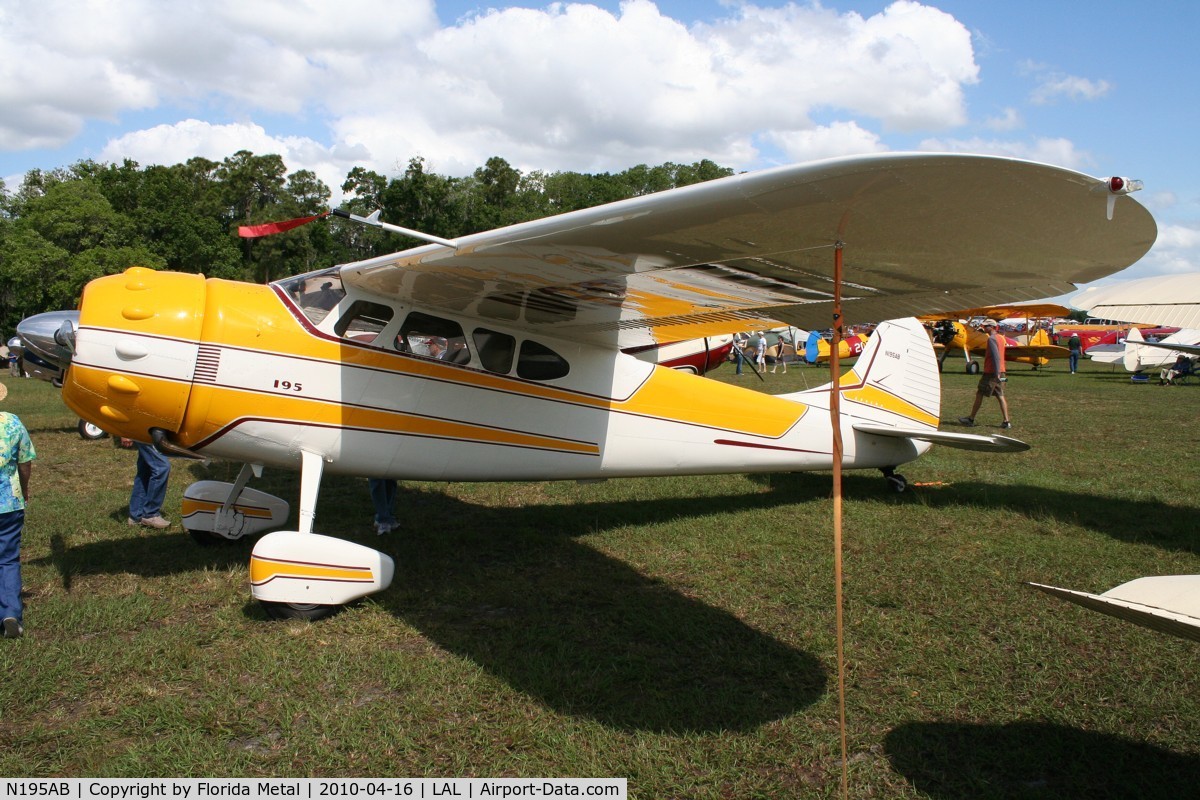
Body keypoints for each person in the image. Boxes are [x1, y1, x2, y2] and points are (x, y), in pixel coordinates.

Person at [0, 382, 35, 638]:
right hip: (9, 503)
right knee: (8, 559)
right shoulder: (12, 422)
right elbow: (24, 462)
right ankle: (11, 611)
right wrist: (24, 489)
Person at [959, 319, 1012, 429]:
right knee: (1000, 396)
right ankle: (1006, 421)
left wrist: (996, 374)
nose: (984, 328)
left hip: (991, 372)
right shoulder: (1001, 338)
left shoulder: (991, 339)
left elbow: (995, 357)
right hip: (1001, 371)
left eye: (986, 326)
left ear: (992, 327)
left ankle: (971, 419)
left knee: (979, 393)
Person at [123, 439, 172, 529]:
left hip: (149, 433)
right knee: (161, 467)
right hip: (144, 431)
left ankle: (136, 516)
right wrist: (125, 434)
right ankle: (150, 514)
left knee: (146, 470)